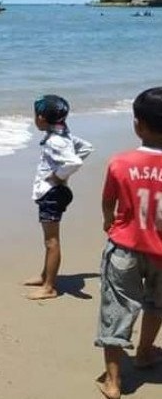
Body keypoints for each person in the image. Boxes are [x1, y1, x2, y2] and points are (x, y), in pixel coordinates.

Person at [95, 87, 162, 399]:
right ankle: (146, 351)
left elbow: (109, 202)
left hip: (126, 248)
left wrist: (108, 222)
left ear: (138, 124)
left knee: (116, 310)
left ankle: (113, 382)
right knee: (156, 305)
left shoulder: (120, 163)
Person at [23, 95, 93, 300]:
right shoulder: (63, 135)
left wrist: (58, 175)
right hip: (54, 193)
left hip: (52, 194)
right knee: (49, 240)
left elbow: (74, 163)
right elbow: (86, 148)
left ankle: (49, 287)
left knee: (51, 241)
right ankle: (45, 275)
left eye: (35, 116)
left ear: (42, 118)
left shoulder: (55, 141)